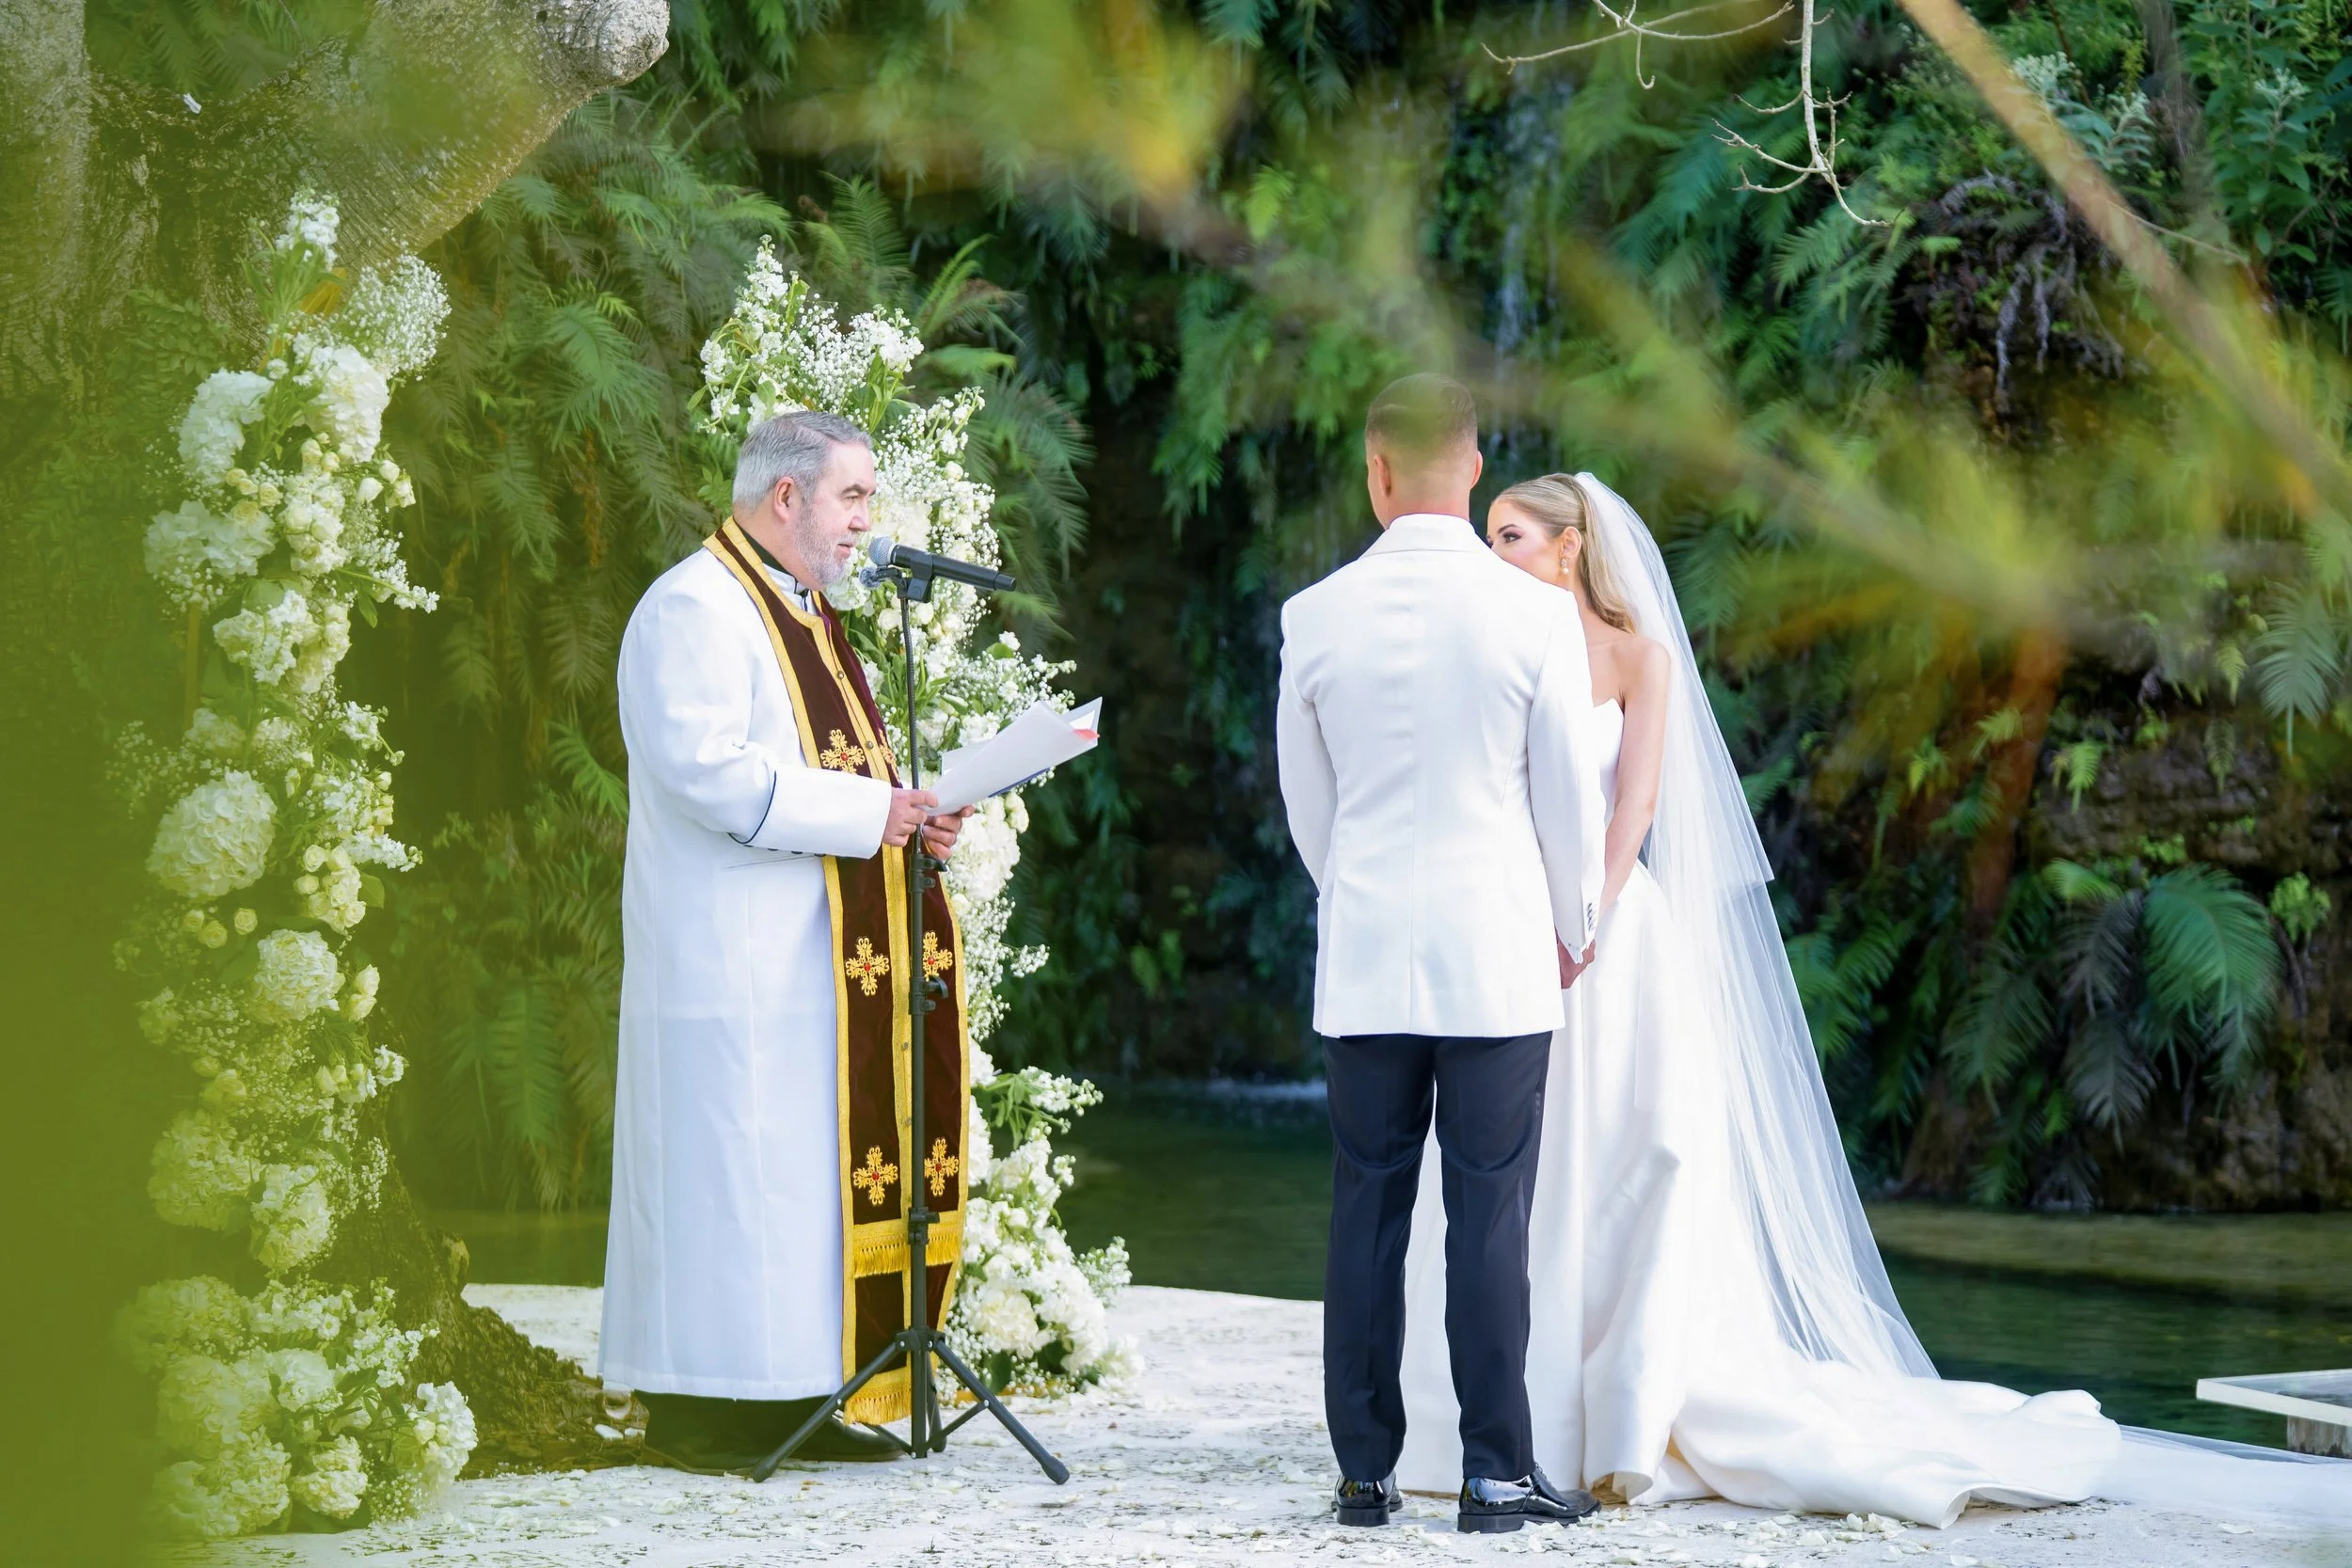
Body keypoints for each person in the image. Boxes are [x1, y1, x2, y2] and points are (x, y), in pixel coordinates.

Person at [1393, 472, 2352, 1528]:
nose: (1494, 555)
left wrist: (1585, 912)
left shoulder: (1638, 657)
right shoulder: (1500, 649)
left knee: (1632, 1161)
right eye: (1489, 536)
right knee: (1510, 1171)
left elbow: (1640, 802)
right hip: (1508, 944)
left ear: (1571, 546)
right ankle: (1500, 1415)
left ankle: (1612, 1417)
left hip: (1605, 940)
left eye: (1511, 535)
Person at [600, 410, 973, 1473]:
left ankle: (797, 1396)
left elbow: (832, 772)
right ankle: (706, 1409)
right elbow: (712, 772)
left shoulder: (800, 609)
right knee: (730, 1183)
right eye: (854, 496)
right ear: (786, 498)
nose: (868, 520)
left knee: (790, 1187)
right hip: (726, 961)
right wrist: (871, 816)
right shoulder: (695, 608)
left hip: (806, 963)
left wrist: (906, 813)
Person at [1275, 375, 1610, 1534]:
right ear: (1473, 467)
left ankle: (1364, 1473)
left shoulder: (1313, 615)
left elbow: (1306, 810)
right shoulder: (1532, 615)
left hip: (1367, 953)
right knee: (1489, 1216)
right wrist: (1573, 923)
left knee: (1365, 1205)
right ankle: (1491, 1473)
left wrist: (1361, 893)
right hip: (1499, 954)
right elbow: (1566, 792)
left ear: (1374, 471)